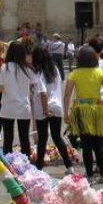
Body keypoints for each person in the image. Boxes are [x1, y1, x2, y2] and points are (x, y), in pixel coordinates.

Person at [64, 45, 103, 183]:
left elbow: (67, 95)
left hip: (81, 110)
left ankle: (90, 176)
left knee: (86, 145)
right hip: (98, 110)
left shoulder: (74, 74)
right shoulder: (99, 72)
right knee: (99, 145)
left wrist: (66, 113)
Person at [0, 38, 43, 157]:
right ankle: (26, 162)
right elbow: (35, 85)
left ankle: (8, 163)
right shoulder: (28, 69)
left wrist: (8, 87)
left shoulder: (3, 68)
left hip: (7, 107)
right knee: (24, 137)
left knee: (8, 138)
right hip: (23, 107)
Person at [30, 46, 74, 175]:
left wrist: (45, 110)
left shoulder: (39, 73)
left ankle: (39, 168)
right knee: (57, 137)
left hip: (43, 108)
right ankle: (69, 166)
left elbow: (43, 93)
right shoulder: (55, 70)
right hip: (57, 106)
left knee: (42, 138)